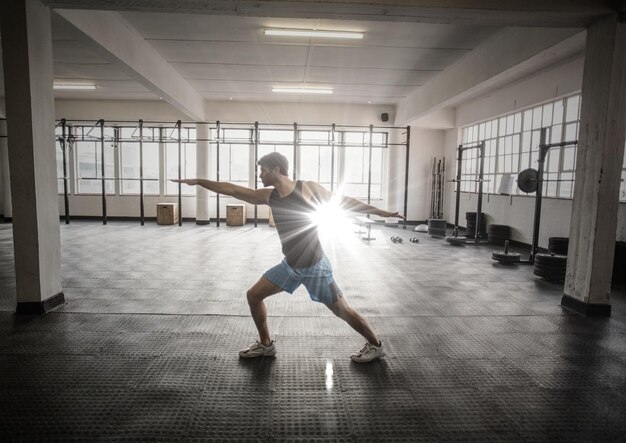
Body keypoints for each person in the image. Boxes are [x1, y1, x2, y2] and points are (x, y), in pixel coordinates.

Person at [172, 152, 403, 363]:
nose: (259, 175)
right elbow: (232, 190)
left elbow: (345, 202)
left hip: (315, 267)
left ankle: (376, 345)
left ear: (277, 170)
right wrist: (200, 181)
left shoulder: (308, 188)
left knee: (342, 310)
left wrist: (380, 212)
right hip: (290, 266)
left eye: (262, 170)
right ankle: (266, 345)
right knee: (253, 296)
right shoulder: (268, 196)